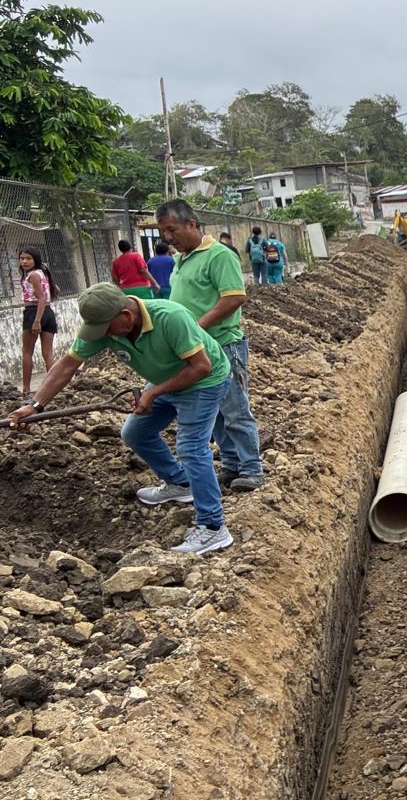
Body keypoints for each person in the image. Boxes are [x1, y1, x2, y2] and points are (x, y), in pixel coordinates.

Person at [8, 283, 234, 555]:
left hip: (204, 381)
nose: (103, 336)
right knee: (135, 433)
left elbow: (201, 366)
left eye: (106, 329)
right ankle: (180, 483)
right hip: (166, 379)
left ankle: (213, 527)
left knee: (191, 448)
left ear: (126, 316)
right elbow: (67, 366)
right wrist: (34, 406)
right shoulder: (106, 328)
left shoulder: (171, 317)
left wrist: (153, 392)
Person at [156, 199, 265, 493]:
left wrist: (195, 328)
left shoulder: (219, 255)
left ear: (191, 224)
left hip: (224, 345)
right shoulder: (182, 260)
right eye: (163, 231)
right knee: (214, 411)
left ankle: (252, 468)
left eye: (172, 229)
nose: (167, 237)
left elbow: (234, 297)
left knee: (235, 409)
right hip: (197, 350)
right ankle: (231, 464)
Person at [17, 248, 58, 396]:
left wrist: (36, 321)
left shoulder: (33, 275)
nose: (24, 261)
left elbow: (41, 299)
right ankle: (54, 387)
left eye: (28, 258)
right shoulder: (42, 273)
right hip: (48, 312)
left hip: (34, 312)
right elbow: (54, 291)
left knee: (27, 352)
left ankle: (26, 389)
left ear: (35, 260)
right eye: (22, 258)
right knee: (48, 353)